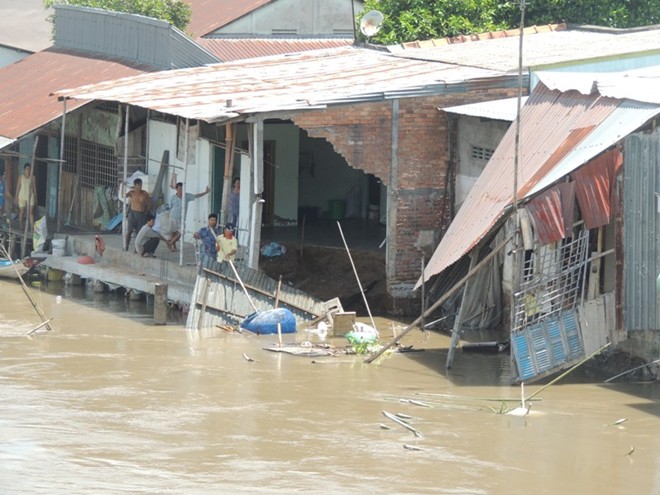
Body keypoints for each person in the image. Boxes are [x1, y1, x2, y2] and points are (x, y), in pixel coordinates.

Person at [168, 180, 210, 250]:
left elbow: (196, 196)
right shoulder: (173, 197)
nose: (182, 191)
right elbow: (170, 207)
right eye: (180, 189)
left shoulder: (187, 196)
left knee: (182, 232)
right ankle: (173, 245)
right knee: (173, 232)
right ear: (176, 189)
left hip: (182, 218)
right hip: (173, 216)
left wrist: (205, 192)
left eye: (183, 189)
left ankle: (170, 242)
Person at [124, 178, 151, 251]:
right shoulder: (131, 193)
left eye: (141, 185)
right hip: (132, 213)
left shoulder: (145, 193)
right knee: (129, 231)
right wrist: (122, 186)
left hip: (141, 214)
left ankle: (136, 249)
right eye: (138, 185)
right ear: (135, 185)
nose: (140, 187)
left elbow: (149, 202)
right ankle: (126, 246)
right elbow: (123, 196)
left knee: (139, 233)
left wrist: (146, 211)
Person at [16, 163, 36, 231]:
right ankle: (21, 226)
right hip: (22, 196)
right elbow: (18, 188)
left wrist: (36, 198)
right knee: (22, 212)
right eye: (27, 169)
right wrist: (16, 197)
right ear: (24, 170)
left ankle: (32, 228)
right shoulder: (21, 177)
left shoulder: (33, 177)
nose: (29, 170)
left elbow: (34, 188)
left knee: (31, 213)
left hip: (30, 196)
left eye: (30, 169)